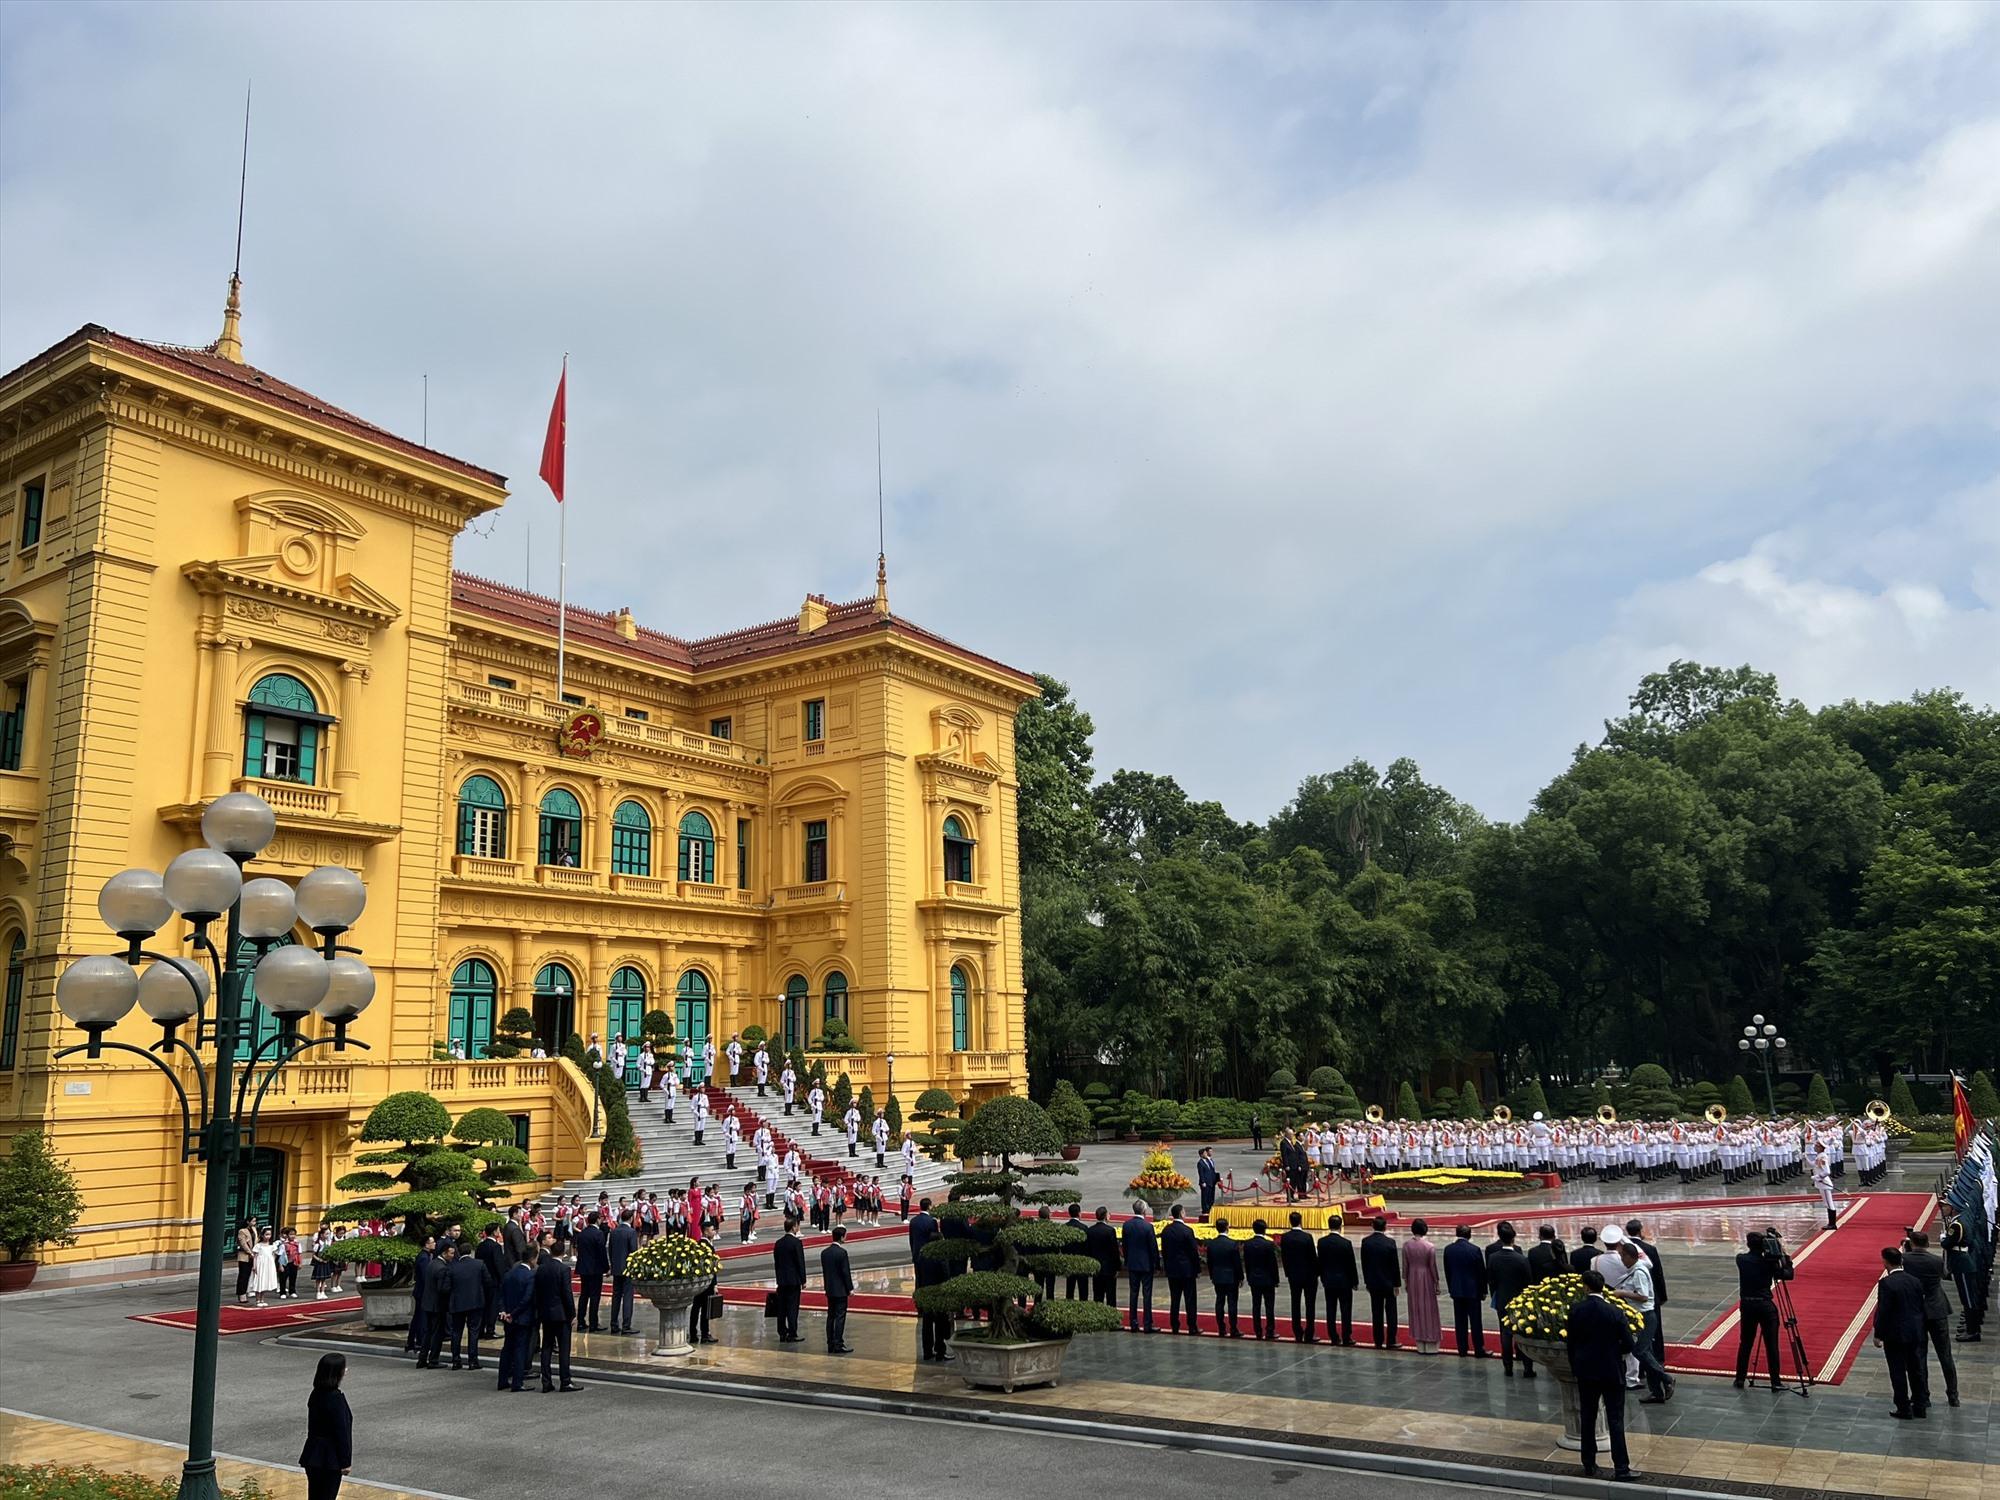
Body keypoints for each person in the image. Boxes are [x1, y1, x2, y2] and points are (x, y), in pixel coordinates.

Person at [1565, 1270, 1638, 1482]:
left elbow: (1571, 1344)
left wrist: (1575, 1367)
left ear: (1586, 1287)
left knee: (1588, 1417)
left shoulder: (1576, 1310)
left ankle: (1588, 1463)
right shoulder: (1614, 1312)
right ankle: (1621, 1468)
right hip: (1611, 1371)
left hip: (1586, 1371)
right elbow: (1629, 1344)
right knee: (1615, 1419)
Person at [1900, 1231, 1960, 1407]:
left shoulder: (1906, 1260)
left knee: (1919, 1355)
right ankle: (1953, 1394)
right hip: (1937, 1308)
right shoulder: (1936, 1261)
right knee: (1945, 1355)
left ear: (1912, 1243)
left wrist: (1906, 1251)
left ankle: (1922, 1395)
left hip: (1917, 1311)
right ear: (1927, 1244)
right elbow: (1945, 1274)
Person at [1613, 1241, 1675, 1403]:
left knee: (1639, 1351)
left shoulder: (1639, 1272)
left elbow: (1643, 1296)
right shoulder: (1636, 1268)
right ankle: (1657, 1391)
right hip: (1641, 1315)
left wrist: (1622, 1293)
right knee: (1648, 1353)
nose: (1621, 1260)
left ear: (1628, 1256)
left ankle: (1667, 1379)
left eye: (1622, 1256)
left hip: (1646, 1316)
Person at [1873, 1246, 1930, 1419]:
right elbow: (1920, 1307)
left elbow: (1884, 1311)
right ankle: (1920, 1405)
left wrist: (1878, 1334)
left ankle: (1903, 1407)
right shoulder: (1915, 1281)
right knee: (1916, 1369)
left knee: (1897, 1371)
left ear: (1885, 1262)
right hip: (1914, 1332)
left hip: (1895, 1334)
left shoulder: (1886, 1284)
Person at [1733, 1229, 1791, 1390]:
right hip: (1765, 1306)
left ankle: (1740, 1378)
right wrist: (1782, 1252)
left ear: (1748, 1244)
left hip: (1747, 1305)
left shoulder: (1741, 1259)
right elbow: (1788, 1274)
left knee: (1745, 1343)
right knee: (1771, 1345)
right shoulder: (1769, 1263)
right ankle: (1775, 1381)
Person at [299, 1353, 352, 1500]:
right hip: (330, 1458)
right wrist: (346, 1461)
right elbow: (342, 1431)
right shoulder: (336, 1399)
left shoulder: (316, 1394)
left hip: (313, 1453)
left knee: (315, 1495)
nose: (346, 1371)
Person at [1486, 1224, 1535, 1378]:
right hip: (1519, 1301)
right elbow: (1528, 1282)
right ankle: (1527, 1368)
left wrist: (1496, 1294)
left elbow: (1491, 1281)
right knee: (1522, 1333)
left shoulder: (1493, 1258)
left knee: (1505, 1334)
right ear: (1513, 1238)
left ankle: (1508, 1367)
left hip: (1502, 1299)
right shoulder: (1521, 1259)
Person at [532, 1236, 578, 1392]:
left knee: (546, 1347)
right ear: (563, 1253)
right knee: (564, 1349)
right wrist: (572, 1314)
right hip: (561, 1314)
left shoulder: (542, 1268)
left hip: (546, 1312)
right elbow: (567, 1293)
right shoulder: (564, 1269)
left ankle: (546, 1381)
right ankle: (565, 1381)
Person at [1626, 1218, 1669, 1368]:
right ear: (1640, 1231)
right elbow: (1658, 1274)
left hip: (1630, 1294)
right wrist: (1662, 1296)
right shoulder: (1649, 1249)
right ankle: (1658, 1356)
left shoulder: (1624, 1249)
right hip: (1650, 1295)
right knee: (1654, 1329)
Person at [1442, 1224, 1489, 1357]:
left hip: (1456, 1289)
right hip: (1473, 1290)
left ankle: (1462, 1348)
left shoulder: (1448, 1249)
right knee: (1475, 1321)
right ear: (1469, 1235)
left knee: (1460, 1320)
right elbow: (1481, 1272)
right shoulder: (1474, 1250)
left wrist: (1451, 1287)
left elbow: (1448, 1271)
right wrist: (1483, 1290)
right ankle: (1479, 1348)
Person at [497, 1247, 538, 1392]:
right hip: (522, 1317)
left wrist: (504, 1311)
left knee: (507, 1348)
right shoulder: (530, 1275)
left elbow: (501, 1294)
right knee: (520, 1349)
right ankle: (517, 1382)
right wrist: (513, 1314)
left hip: (508, 1316)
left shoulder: (509, 1273)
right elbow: (527, 1299)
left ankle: (502, 1380)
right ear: (533, 1259)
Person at [1360, 1216, 1401, 1350]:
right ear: (1385, 1226)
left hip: (1373, 1282)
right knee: (1391, 1313)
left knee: (1376, 1312)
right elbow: (1395, 1266)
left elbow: (1364, 1264)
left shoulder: (1366, 1242)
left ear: (1372, 1225)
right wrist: (1397, 1284)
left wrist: (1367, 1281)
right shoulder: (1390, 1243)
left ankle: (1378, 1340)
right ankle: (1391, 1340)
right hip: (1388, 1283)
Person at [447, 1238, 487, 1369]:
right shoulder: (479, 1264)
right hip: (475, 1302)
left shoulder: (452, 1266)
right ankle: (472, 1360)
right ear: (470, 1252)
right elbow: (488, 1282)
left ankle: (456, 1360)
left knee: (456, 1332)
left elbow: (447, 1286)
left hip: (457, 1302)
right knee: (473, 1331)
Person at [1161, 1205, 1202, 1334]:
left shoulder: (1166, 1230)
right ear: (1181, 1214)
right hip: (1187, 1270)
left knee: (1175, 1299)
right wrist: (1197, 1269)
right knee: (1190, 1299)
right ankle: (1192, 1326)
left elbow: (1165, 1251)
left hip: (1173, 1270)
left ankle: (1174, 1325)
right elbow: (1193, 1253)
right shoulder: (1187, 1231)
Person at [1402, 1219, 1441, 1354]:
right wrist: (1436, 1282)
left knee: (1416, 1309)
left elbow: (1405, 1267)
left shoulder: (1406, 1246)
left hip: (1412, 1278)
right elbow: (1433, 1267)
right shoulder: (1429, 1246)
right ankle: (1431, 1343)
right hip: (1426, 1278)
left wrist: (1406, 1281)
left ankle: (1419, 1343)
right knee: (1429, 1309)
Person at [1317, 1217, 1357, 1346]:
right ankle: (1346, 1336)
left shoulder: (1322, 1242)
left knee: (1331, 1308)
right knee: (1346, 1310)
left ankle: (1333, 1336)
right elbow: (1351, 1264)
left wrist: (1322, 1277)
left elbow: (1320, 1262)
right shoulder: (1345, 1243)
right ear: (1340, 1226)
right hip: (1344, 1281)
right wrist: (1354, 1281)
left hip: (1328, 1280)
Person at [1280, 1211, 1318, 1343]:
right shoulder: (1307, 1237)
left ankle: (1297, 1332)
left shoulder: (1285, 1237)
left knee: (1295, 1303)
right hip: (1308, 1275)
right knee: (1310, 1305)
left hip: (1293, 1275)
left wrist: (1288, 1272)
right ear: (1300, 1221)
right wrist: (1316, 1273)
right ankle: (1309, 1333)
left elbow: (1284, 1257)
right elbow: (1313, 1257)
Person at [1122, 1200, 1159, 1333]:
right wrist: (1157, 1265)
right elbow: (1153, 1248)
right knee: (1147, 1295)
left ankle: (1133, 1323)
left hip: (1132, 1264)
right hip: (1146, 1265)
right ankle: (1147, 1324)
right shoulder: (1147, 1227)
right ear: (1144, 1211)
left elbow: (1124, 1247)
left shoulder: (1126, 1225)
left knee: (1133, 1294)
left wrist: (1127, 1260)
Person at [1243, 1218, 1280, 1340]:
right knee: (1269, 1306)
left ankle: (1257, 1330)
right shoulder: (1268, 1245)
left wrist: (1248, 1277)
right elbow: (1272, 1264)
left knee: (1256, 1305)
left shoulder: (1247, 1244)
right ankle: (1270, 1330)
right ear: (1265, 1230)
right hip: (1268, 1279)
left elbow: (1247, 1264)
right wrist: (1276, 1280)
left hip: (1254, 1278)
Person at [1207, 1216, 1244, 1337]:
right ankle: (1233, 1328)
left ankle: (1221, 1328)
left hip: (1218, 1277)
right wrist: (1241, 1277)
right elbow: (1237, 1263)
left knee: (1219, 1302)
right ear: (1227, 1227)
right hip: (1231, 1277)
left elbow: (1210, 1262)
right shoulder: (1232, 1244)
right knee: (1232, 1303)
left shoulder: (1212, 1244)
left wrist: (1212, 1275)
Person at [572, 1211, 608, 1332]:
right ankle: (594, 1323)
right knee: (594, 1296)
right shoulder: (598, 1234)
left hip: (583, 1268)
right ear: (597, 1219)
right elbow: (602, 1252)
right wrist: (606, 1267)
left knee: (584, 1295)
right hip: (595, 1269)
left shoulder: (582, 1233)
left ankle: (581, 1321)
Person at [774, 1215, 807, 1343]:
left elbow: (777, 1263)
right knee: (792, 1307)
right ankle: (792, 1333)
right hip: (793, 1280)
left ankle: (782, 1332)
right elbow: (800, 1262)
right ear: (794, 1227)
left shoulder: (778, 1243)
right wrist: (803, 1280)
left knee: (782, 1307)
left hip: (782, 1280)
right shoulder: (796, 1243)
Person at [822, 1225, 855, 1354]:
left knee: (831, 1316)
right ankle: (838, 1343)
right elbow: (845, 1272)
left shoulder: (825, 1253)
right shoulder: (842, 1253)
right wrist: (850, 1288)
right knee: (840, 1317)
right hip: (840, 1289)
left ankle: (830, 1342)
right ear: (842, 1237)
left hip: (830, 1289)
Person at [607, 1211, 638, 1335]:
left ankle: (614, 1324)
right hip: (627, 1268)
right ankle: (626, 1325)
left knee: (616, 1296)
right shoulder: (631, 1232)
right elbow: (633, 1251)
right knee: (628, 1297)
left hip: (616, 1268)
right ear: (631, 1219)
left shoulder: (614, 1231)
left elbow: (610, 1249)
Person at [474, 1224, 506, 1339]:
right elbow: (499, 1264)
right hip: (494, 1281)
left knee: (483, 1305)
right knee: (492, 1307)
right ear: (494, 1232)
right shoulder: (495, 1247)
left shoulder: (480, 1246)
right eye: (498, 1230)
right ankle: (490, 1330)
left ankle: (480, 1330)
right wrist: (503, 1279)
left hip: (482, 1280)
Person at [1085, 1207, 1121, 1306]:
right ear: (1105, 1216)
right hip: (1109, 1269)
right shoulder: (1110, 1231)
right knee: (1111, 1296)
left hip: (1096, 1268)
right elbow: (1114, 1251)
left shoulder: (1091, 1230)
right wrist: (1117, 1267)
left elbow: (1088, 1250)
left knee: (1097, 1296)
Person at [236, 1220, 258, 1305]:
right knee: (243, 1275)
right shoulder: (242, 1231)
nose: (254, 1223)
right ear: (248, 1222)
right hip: (244, 1256)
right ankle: (241, 1294)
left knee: (248, 1275)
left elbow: (256, 1240)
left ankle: (245, 1292)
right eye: (253, 1221)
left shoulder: (254, 1230)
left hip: (252, 1256)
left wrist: (255, 1251)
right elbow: (243, 1243)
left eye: (255, 1221)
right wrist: (250, 1252)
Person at [1197, 1148, 1221, 1218]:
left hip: (1211, 1181)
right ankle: (1205, 1210)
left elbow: (1212, 1171)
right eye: (1204, 1153)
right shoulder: (1200, 1163)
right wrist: (1203, 1182)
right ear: (1201, 1155)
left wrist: (1216, 1179)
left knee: (1211, 1196)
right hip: (1205, 1182)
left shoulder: (1208, 1161)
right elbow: (1201, 1173)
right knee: (1205, 1197)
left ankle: (1210, 1208)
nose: (1206, 1154)